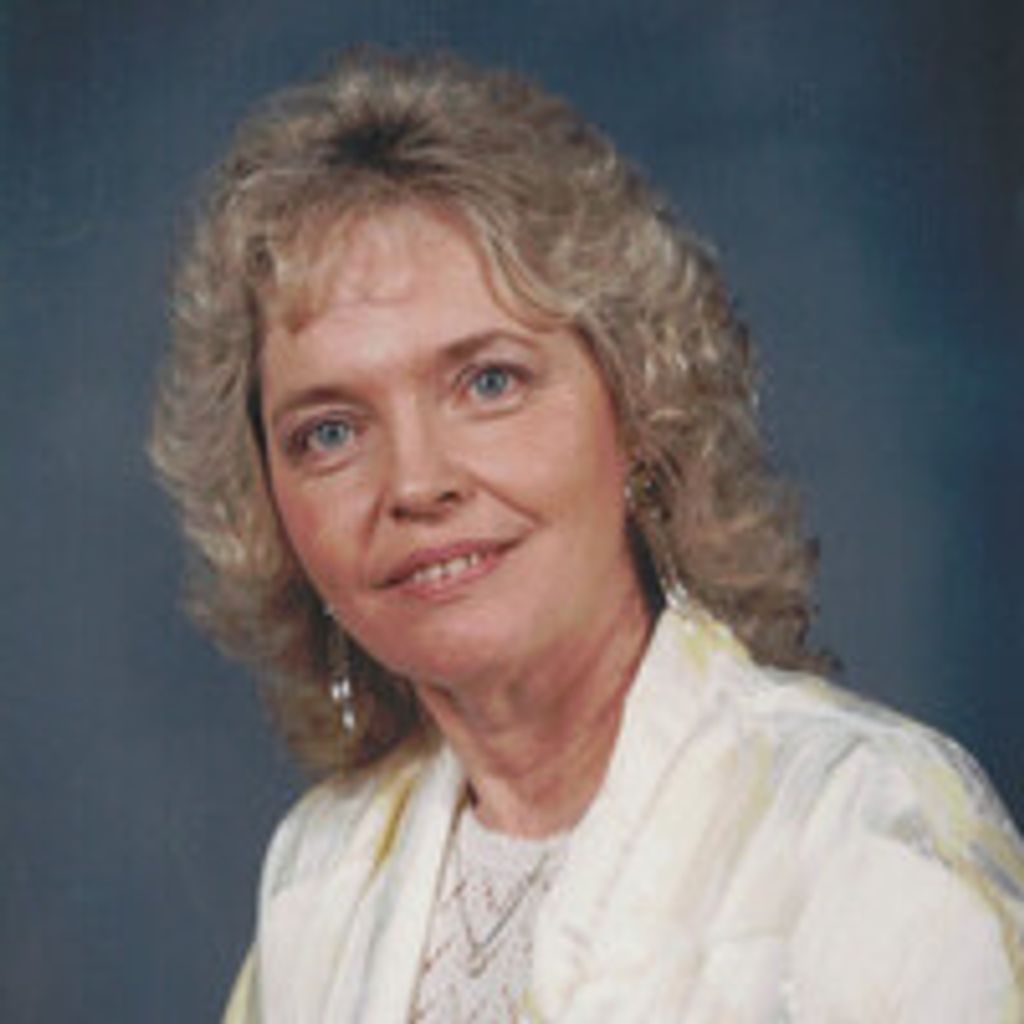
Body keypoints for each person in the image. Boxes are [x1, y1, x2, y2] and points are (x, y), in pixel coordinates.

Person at [150, 48, 1024, 1022]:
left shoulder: (865, 830)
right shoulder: (319, 877)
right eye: (329, 432)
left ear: (639, 410)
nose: (415, 482)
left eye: (489, 382)